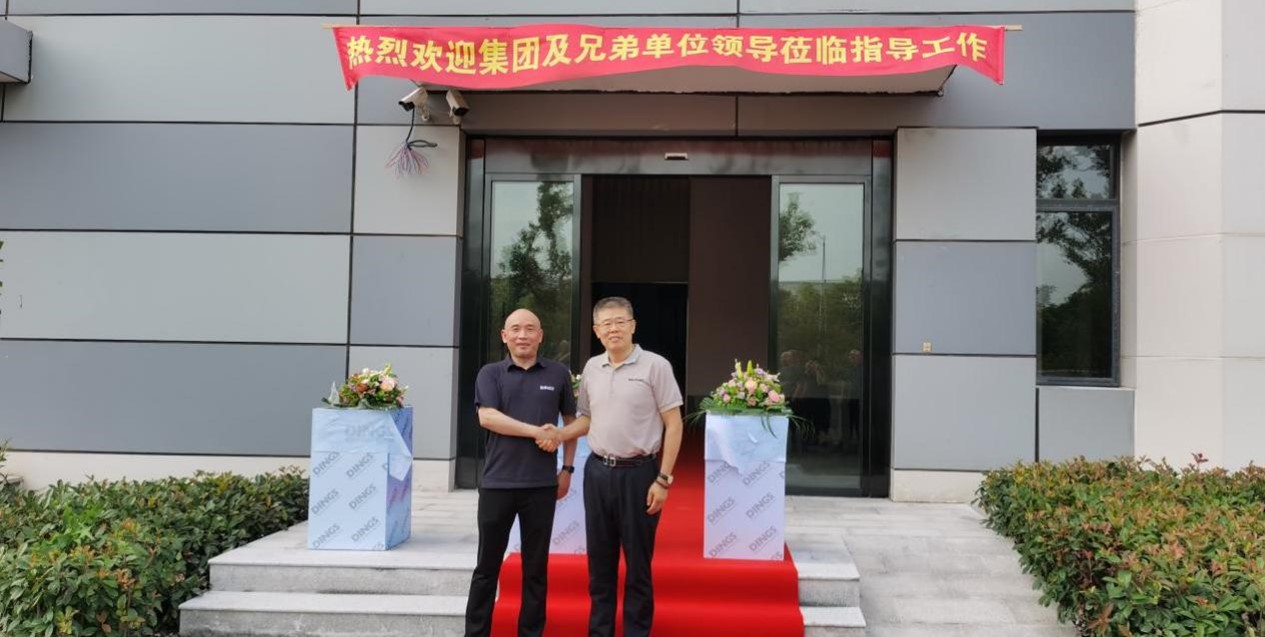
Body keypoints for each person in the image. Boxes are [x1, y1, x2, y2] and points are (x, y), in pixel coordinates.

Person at [544, 296, 683, 637]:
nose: (614, 329)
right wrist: (559, 434)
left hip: (640, 474)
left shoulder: (656, 366)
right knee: (600, 562)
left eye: (620, 321)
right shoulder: (592, 368)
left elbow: (674, 423)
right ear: (596, 331)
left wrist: (663, 479)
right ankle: (600, 630)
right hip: (597, 474)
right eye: (606, 324)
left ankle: (637, 630)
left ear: (633, 325)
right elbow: (587, 418)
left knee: (638, 564)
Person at [464, 308, 577, 637]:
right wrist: (537, 432)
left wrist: (567, 468)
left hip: (541, 486)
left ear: (541, 336)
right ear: (504, 336)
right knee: (487, 567)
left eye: (530, 329)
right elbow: (488, 418)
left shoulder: (558, 373)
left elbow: (570, 425)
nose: (522, 335)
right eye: (515, 329)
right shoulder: (490, 373)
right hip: (497, 485)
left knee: (535, 570)